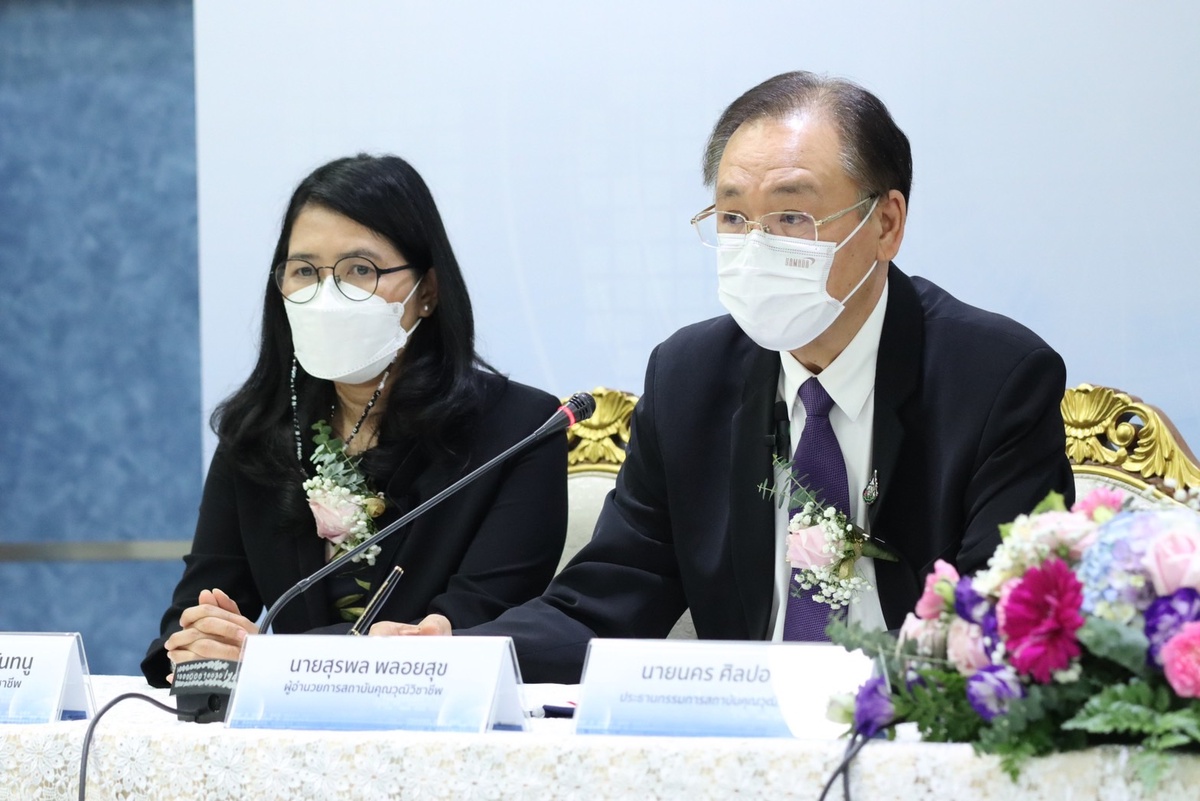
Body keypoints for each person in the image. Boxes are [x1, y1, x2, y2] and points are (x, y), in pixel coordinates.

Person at [377, 71, 1075, 684]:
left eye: (792, 215)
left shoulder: (995, 380)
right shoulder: (690, 378)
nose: (757, 244)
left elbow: (1003, 622)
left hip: (910, 744)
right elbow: (608, 599)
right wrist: (459, 652)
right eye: (735, 217)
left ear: (886, 223)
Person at [140, 154, 567, 687]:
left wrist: (269, 660)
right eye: (304, 271)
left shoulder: (519, 430)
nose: (326, 295)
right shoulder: (257, 431)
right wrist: (204, 639)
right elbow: (198, 607)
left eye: (359, 270)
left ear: (427, 292)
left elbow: (479, 621)